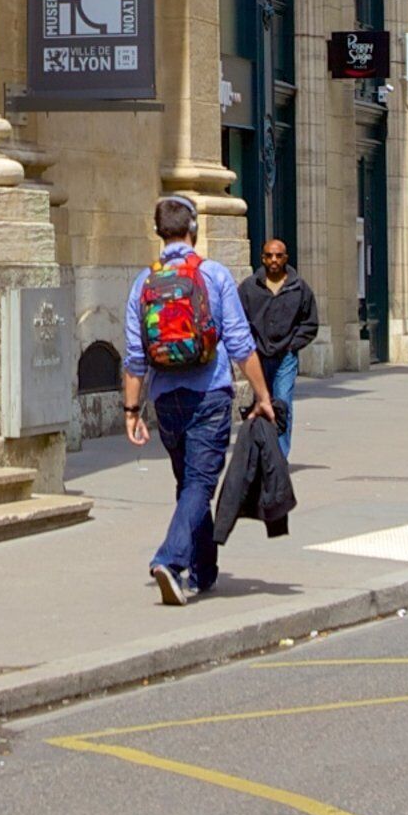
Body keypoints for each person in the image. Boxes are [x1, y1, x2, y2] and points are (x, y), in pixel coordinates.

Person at [122, 197, 276, 605]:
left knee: (191, 484)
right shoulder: (213, 275)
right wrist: (263, 396)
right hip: (209, 392)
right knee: (199, 484)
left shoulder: (143, 283)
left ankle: (204, 570)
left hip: (166, 397)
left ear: (159, 232)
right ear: (193, 229)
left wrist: (131, 411)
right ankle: (169, 561)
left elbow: (135, 357)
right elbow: (241, 343)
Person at [239, 239, 321, 456]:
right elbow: (238, 320)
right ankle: (261, 455)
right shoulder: (249, 287)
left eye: (278, 256)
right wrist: (249, 345)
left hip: (285, 356)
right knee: (260, 404)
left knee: (282, 403)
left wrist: (293, 345)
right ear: (262, 258)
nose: (273, 260)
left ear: (286, 258)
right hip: (257, 356)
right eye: (268, 256)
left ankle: (280, 458)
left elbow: (310, 322)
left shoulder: (299, 288)